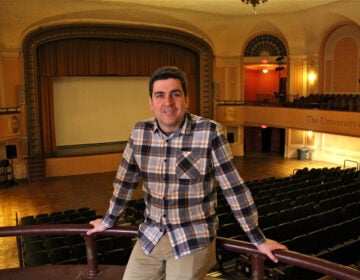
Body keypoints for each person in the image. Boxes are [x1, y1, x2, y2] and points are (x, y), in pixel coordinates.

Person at [87, 66, 287, 279]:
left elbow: (233, 188)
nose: (168, 103)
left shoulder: (209, 132)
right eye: (160, 95)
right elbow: (125, 182)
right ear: (151, 102)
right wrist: (108, 220)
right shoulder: (139, 132)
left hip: (192, 237)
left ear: (187, 100)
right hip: (151, 235)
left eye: (175, 94)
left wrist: (257, 239)